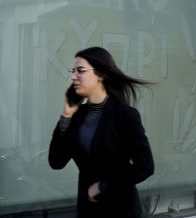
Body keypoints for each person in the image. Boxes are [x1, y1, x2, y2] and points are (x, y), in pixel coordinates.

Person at [49, 47, 154, 218]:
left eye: (80, 71)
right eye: (73, 71)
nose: (73, 76)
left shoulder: (124, 115)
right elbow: (56, 161)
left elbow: (145, 166)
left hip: (120, 210)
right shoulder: (77, 116)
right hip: (87, 211)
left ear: (100, 75)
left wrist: (102, 186)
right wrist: (66, 116)